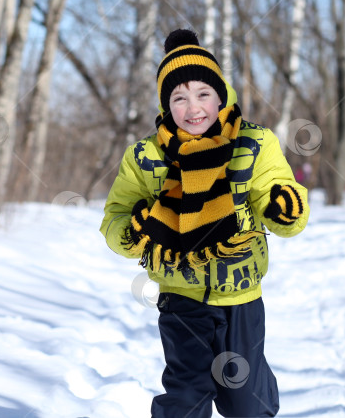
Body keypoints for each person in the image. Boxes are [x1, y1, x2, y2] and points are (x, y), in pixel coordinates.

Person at [100, 28, 310, 417]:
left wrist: (285, 207)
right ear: (166, 106)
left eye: (202, 94)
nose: (192, 107)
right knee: (187, 393)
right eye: (179, 98)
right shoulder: (147, 156)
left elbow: (272, 189)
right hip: (180, 294)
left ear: (220, 95)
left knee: (244, 401)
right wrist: (132, 232)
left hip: (241, 294)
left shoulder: (252, 142)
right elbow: (115, 214)